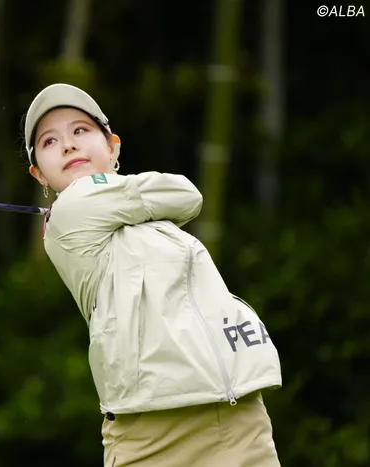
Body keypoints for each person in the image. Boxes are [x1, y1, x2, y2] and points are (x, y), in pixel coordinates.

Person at [22, 83, 283, 467]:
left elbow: (186, 194)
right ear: (39, 175)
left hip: (237, 416)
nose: (68, 145)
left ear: (113, 146)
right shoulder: (68, 215)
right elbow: (181, 193)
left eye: (80, 130)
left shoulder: (152, 223)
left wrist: (122, 192)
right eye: (49, 141)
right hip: (150, 434)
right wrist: (117, 187)